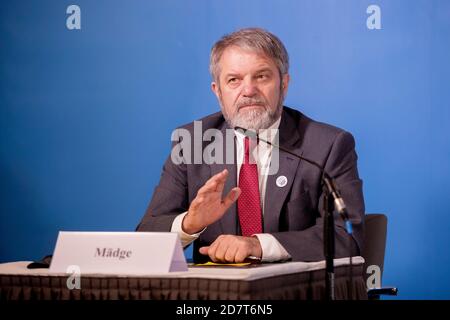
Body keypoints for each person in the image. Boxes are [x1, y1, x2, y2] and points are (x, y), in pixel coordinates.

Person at [136, 28, 365, 264]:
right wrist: (189, 224)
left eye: (262, 76)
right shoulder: (193, 141)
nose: (248, 91)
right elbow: (146, 237)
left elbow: (346, 238)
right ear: (218, 91)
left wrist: (257, 245)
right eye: (234, 80)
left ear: (284, 84)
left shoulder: (327, 146)